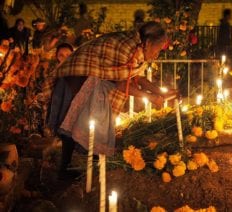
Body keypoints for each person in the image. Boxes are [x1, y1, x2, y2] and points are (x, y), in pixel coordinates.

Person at [46, 21, 176, 180]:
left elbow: (136, 77)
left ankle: (91, 169)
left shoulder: (136, 49)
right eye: (158, 49)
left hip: (91, 83)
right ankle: (67, 171)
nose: (158, 54)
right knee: (74, 124)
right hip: (77, 79)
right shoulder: (126, 48)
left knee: (94, 125)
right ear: (148, 43)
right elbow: (122, 83)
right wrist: (151, 97)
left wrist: (159, 91)